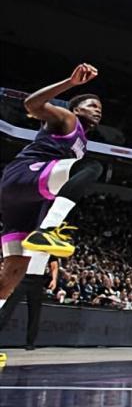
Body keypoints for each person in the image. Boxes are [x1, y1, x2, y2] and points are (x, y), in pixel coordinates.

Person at [0, 64, 103, 316]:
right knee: (91, 167)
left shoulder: (82, 141)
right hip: (26, 174)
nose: (97, 110)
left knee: (14, 270)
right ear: (76, 109)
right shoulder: (67, 119)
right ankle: (47, 229)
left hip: (28, 197)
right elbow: (31, 104)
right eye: (92, 105)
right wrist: (70, 83)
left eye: (100, 108)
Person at [0, 255, 58, 349]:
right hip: (22, 277)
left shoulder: (48, 248)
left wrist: (54, 279)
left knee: (35, 311)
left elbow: (54, 264)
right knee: (8, 307)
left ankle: (30, 342)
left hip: (38, 279)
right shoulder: (26, 246)